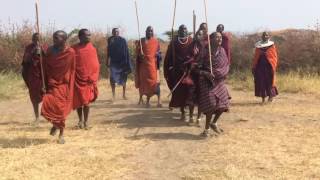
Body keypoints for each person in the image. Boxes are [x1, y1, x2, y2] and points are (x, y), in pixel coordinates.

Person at [41, 30, 76, 144]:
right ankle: (55, 124)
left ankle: (61, 134)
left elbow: (71, 70)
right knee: (48, 105)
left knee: (60, 110)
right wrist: (41, 54)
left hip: (63, 85)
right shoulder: (50, 50)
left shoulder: (70, 52)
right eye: (54, 37)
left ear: (64, 39)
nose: (54, 40)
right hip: (51, 83)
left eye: (57, 38)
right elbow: (46, 65)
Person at [193, 32, 230, 137]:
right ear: (211, 39)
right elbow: (195, 68)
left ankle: (214, 123)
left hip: (219, 81)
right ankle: (206, 130)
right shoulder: (204, 52)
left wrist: (221, 73)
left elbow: (226, 65)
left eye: (220, 37)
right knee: (211, 106)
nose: (219, 39)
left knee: (224, 104)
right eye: (217, 37)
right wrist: (205, 73)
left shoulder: (222, 50)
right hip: (206, 81)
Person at [164, 24, 196, 122]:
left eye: (185, 29)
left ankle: (190, 114)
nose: (183, 31)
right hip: (177, 73)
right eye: (181, 29)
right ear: (178, 31)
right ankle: (183, 112)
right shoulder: (173, 43)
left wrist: (192, 65)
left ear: (187, 31)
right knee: (180, 93)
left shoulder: (191, 41)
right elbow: (168, 58)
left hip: (189, 72)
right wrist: (168, 69)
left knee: (190, 93)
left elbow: (195, 56)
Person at [73, 29, 100, 130]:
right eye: (86, 35)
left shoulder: (92, 48)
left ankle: (86, 121)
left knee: (86, 102)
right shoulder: (73, 49)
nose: (89, 37)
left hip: (89, 80)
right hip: (77, 79)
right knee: (79, 102)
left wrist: (93, 76)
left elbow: (96, 64)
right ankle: (80, 120)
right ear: (80, 37)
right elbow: (70, 63)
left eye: (90, 35)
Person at [22, 33, 46, 124]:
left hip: (43, 75)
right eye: (35, 39)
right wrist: (33, 52)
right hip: (33, 75)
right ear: (32, 39)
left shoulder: (44, 47)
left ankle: (48, 115)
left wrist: (42, 51)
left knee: (46, 95)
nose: (37, 41)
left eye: (38, 39)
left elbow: (49, 59)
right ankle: (37, 117)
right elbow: (25, 61)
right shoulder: (29, 48)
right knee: (34, 96)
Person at [135, 26, 162, 108]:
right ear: (145, 32)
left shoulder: (156, 41)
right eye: (148, 31)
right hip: (143, 67)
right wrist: (140, 55)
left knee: (155, 82)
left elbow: (159, 53)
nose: (150, 32)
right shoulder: (141, 41)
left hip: (153, 66)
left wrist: (157, 55)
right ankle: (146, 101)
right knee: (144, 83)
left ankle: (158, 100)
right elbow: (137, 53)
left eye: (151, 31)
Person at [252, 31, 278, 103]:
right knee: (261, 82)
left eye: (266, 35)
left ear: (268, 37)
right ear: (262, 37)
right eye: (264, 35)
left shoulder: (272, 46)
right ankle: (263, 98)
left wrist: (273, 65)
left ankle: (271, 96)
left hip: (269, 66)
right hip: (260, 67)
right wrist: (254, 66)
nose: (265, 36)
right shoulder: (258, 46)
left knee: (270, 81)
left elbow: (274, 57)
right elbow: (255, 57)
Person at [106, 28, 132, 101]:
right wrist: (107, 60)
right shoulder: (110, 40)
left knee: (124, 78)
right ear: (112, 32)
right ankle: (113, 95)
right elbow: (108, 50)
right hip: (113, 62)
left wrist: (127, 62)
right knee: (112, 78)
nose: (115, 33)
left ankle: (124, 95)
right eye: (114, 32)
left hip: (122, 62)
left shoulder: (122, 40)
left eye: (117, 32)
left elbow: (126, 51)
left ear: (119, 32)